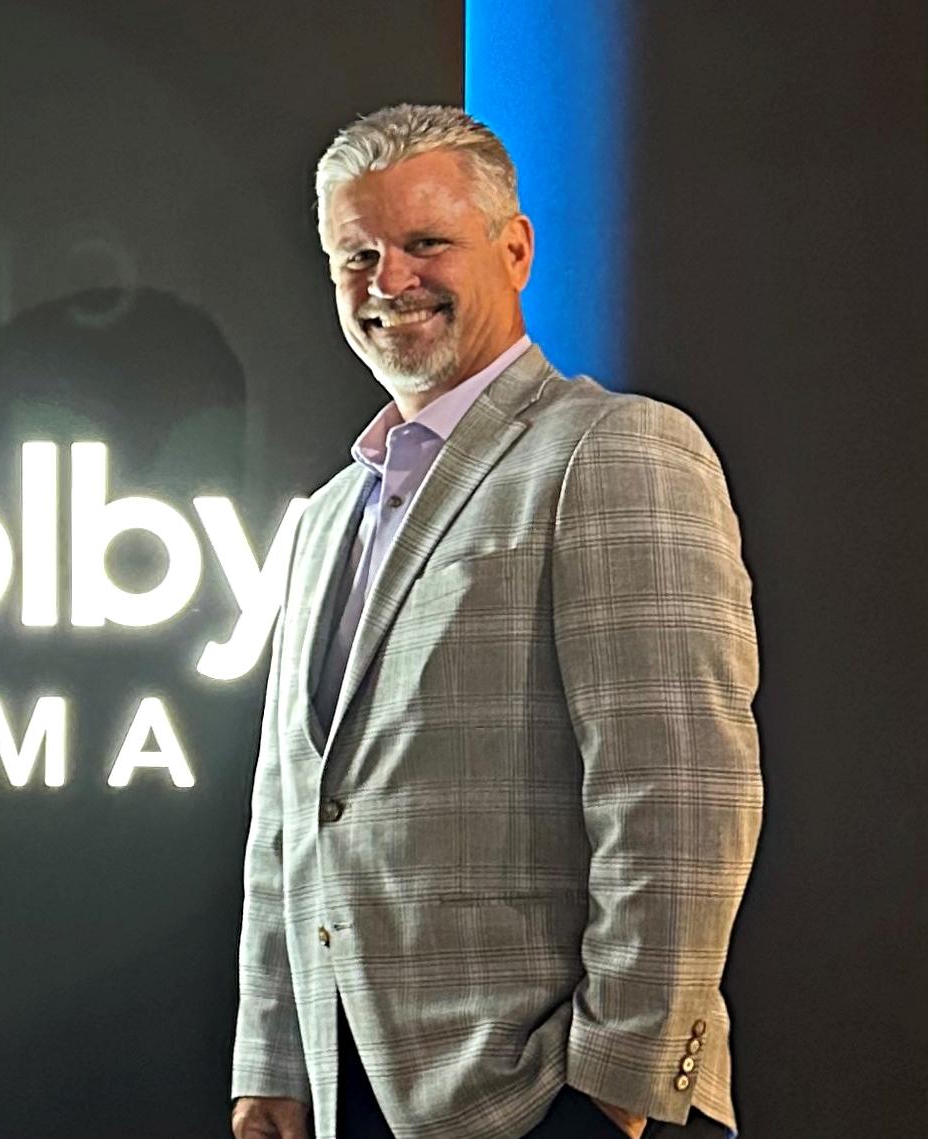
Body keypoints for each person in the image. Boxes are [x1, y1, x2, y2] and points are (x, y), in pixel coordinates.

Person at [229, 104, 759, 1139]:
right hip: (350, 1096)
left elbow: (680, 798)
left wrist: (617, 1091)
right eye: (357, 255)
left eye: (426, 243)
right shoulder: (329, 515)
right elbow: (291, 817)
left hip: (543, 1098)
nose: (389, 280)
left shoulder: (613, 449)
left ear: (513, 250)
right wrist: (273, 1063)